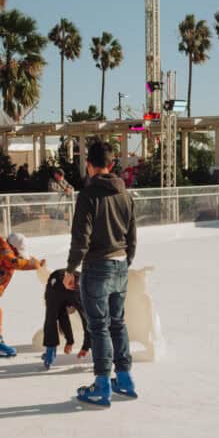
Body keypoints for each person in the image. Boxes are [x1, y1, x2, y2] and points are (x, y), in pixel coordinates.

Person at [64, 140, 137, 407]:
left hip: (97, 267)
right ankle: (126, 380)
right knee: (118, 323)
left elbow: (80, 238)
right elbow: (132, 235)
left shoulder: (88, 195)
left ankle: (103, 385)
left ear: (89, 165)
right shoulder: (125, 194)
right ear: (112, 164)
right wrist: (125, 261)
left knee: (99, 326)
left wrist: (71, 269)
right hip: (119, 265)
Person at [0, 232, 45, 358]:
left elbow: (20, 260)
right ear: (14, 247)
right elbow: (15, 263)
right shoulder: (4, 252)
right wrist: (34, 265)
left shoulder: (5, 251)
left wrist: (35, 263)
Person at [41, 268, 91, 370]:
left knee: (51, 317)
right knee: (89, 318)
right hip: (75, 282)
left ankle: (49, 355)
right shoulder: (82, 290)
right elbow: (87, 321)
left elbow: (61, 316)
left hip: (55, 283)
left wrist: (70, 341)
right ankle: (98, 355)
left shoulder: (60, 297)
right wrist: (85, 347)